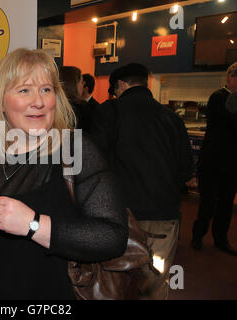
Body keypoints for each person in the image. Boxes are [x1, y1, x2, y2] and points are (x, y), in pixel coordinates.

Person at [0, 48, 128, 300]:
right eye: (24, 89)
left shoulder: (76, 150)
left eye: (46, 89)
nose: (38, 101)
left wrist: (33, 224)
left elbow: (112, 236)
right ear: (2, 101)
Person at [90, 63, 194, 299]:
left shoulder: (109, 112)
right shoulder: (171, 119)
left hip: (121, 215)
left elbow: (94, 162)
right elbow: (186, 171)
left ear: (121, 85)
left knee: (114, 281)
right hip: (163, 215)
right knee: (155, 282)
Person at [191, 62, 237, 256]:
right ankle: (197, 235)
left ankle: (221, 239)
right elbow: (229, 125)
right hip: (212, 162)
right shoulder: (218, 97)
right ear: (230, 77)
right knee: (208, 203)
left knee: (226, 204)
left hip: (232, 163)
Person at [59, 66, 91, 131]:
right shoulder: (81, 109)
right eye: (81, 82)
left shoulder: (53, 106)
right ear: (74, 84)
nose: (83, 86)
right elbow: (80, 138)